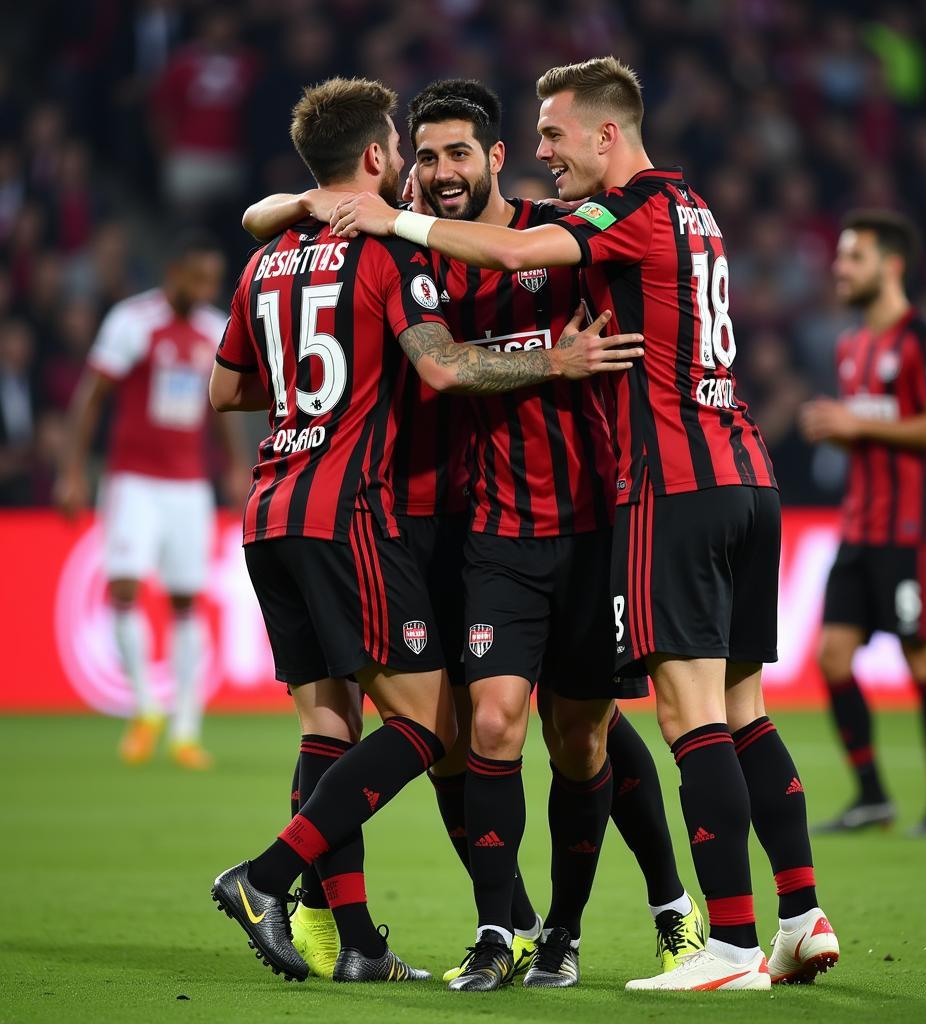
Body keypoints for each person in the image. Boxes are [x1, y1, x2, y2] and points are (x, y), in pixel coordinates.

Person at [334, 56, 839, 992]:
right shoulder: (692, 208)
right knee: (734, 712)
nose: (543, 151)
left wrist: (392, 214)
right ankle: (797, 913)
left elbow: (527, 255)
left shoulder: (602, 219)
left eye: (553, 135)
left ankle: (719, 940)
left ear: (604, 134)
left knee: (672, 725)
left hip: (657, 492)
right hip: (718, 474)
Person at [242, 78, 699, 993]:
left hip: (575, 517)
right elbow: (274, 225)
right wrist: (304, 200)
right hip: (439, 523)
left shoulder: (552, 237)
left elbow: (609, 332)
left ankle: (666, 905)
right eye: (425, 156)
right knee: (463, 734)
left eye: (460, 155)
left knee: (586, 733)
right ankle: (506, 926)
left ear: (497, 158)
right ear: (399, 161)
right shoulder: (396, 239)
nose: (440, 175)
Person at [54, 231, 250, 769]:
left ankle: (185, 730)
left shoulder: (215, 330)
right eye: (200, 277)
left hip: (189, 485)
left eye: (214, 279)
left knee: (186, 599)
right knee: (123, 586)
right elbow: (90, 399)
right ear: (176, 272)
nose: (208, 288)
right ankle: (146, 708)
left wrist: (234, 466)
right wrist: (72, 470)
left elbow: (223, 406)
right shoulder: (132, 322)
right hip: (134, 480)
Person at [800, 209, 926, 838]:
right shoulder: (851, 346)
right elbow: (871, 429)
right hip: (858, 528)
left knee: (920, 657)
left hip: (910, 529)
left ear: (890, 266)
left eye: (854, 258)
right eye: (841, 258)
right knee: (832, 657)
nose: (840, 269)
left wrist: (857, 425)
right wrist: (838, 431)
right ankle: (872, 795)